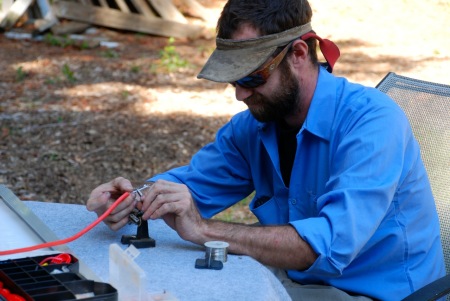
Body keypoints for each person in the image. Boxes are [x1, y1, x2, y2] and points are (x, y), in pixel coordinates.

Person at [86, 0, 446, 299]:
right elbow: (194, 185)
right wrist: (133, 199)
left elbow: (325, 246)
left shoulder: (371, 122)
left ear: (299, 54)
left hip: (378, 294)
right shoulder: (255, 125)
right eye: (233, 80)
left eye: (251, 77)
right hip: (299, 282)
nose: (240, 94)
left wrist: (204, 229)